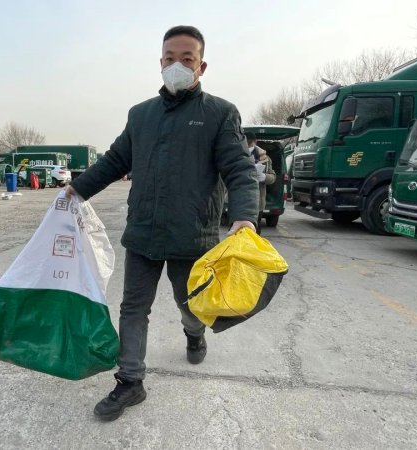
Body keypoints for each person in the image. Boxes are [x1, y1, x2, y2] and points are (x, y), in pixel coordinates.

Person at [65, 25, 259, 421]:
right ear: (160, 62)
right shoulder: (141, 115)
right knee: (133, 307)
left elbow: (240, 170)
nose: (177, 65)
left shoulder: (219, 113)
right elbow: (114, 160)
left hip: (193, 234)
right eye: (170, 58)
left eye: (187, 59)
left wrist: (244, 216)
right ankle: (130, 381)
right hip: (143, 232)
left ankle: (194, 333)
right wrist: (76, 190)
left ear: (201, 66)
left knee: (189, 305)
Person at [246, 133, 276, 226]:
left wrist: (264, 177)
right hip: (240, 200)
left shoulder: (265, 158)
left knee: (255, 229)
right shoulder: (235, 155)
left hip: (257, 201)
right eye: (246, 142)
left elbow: (273, 177)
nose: (247, 145)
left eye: (250, 143)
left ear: (255, 142)